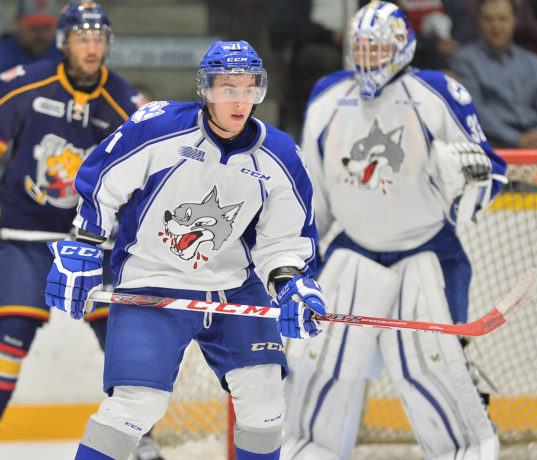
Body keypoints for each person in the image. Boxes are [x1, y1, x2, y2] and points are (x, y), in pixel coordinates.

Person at [44, 39, 327, 460]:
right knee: (136, 406)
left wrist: (291, 284)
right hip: (153, 282)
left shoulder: (280, 155)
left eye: (248, 88)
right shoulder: (157, 127)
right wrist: (84, 246)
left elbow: (285, 239)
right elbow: (102, 181)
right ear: (207, 89)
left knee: (265, 399)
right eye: (228, 88)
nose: (239, 100)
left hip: (233, 287)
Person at [280, 1, 506, 459]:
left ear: (403, 48)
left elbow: (492, 175)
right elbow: (313, 198)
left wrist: (468, 181)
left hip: (428, 252)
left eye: (378, 48)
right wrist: (297, 266)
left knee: (436, 371)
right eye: (361, 48)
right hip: (353, 253)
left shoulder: (438, 92)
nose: (368, 58)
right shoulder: (327, 98)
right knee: (317, 365)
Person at [0, 2, 167, 460]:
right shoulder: (26, 83)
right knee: (9, 337)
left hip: (91, 242)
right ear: (64, 42)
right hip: (25, 235)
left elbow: (146, 178)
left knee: (122, 338)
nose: (91, 47)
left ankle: (140, 441)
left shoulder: (124, 102)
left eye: (98, 39)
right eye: (82, 38)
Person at [449, 0, 537, 149]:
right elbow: (475, 110)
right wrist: (517, 139)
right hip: (493, 146)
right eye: (489, 19)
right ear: (479, 21)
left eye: (502, 19)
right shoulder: (463, 61)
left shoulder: (536, 64)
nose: (496, 27)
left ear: (514, 20)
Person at [268, 0, 370, 140]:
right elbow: (283, 23)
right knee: (329, 62)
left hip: (363, 42)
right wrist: (330, 35)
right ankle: (324, 131)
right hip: (316, 42)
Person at [0, 0, 62, 73]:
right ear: (17, 23)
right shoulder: (3, 55)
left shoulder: (63, 52)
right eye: (34, 27)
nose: (40, 34)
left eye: (46, 27)